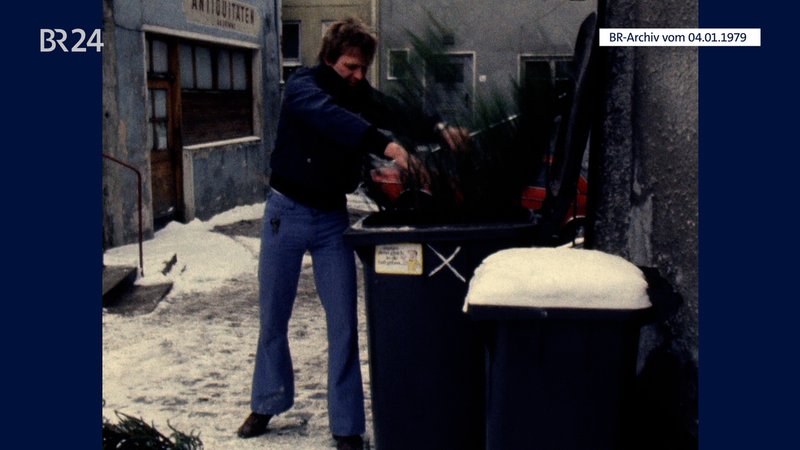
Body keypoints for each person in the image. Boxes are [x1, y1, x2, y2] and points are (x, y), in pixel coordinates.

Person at [237, 17, 467, 450]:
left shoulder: (358, 92)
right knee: (273, 316)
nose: (359, 77)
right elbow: (331, 119)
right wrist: (389, 146)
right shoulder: (303, 87)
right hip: (284, 213)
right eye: (350, 67)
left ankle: (346, 426)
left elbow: (396, 109)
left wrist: (438, 129)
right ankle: (266, 401)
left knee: (343, 324)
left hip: (330, 221)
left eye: (363, 68)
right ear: (329, 59)